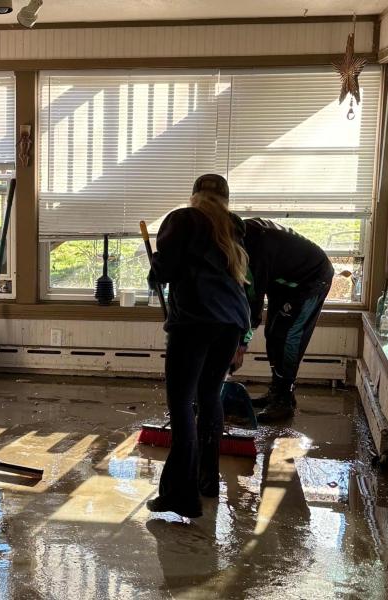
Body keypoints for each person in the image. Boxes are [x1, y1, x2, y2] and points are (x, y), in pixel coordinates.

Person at [146, 174, 250, 519]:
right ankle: (208, 480)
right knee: (208, 396)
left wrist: (154, 271)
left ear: (194, 196)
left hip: (194, 321)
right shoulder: (233, 227)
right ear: (225, 201)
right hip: (231, 323)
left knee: (181, 403)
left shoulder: (183, 220)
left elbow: (166, 269)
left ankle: (182, 496)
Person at [230, 219, 334, 423]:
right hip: (283, 280)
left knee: (289, 336)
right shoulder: (236, 236)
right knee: (273, 332)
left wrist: (241, 346)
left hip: (311, 278)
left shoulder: (253, 252)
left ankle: (284, 400)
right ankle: (276, 392)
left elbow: (253, 307)